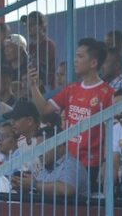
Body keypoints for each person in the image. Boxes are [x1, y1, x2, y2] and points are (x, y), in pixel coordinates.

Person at [29, 38, 114, 188]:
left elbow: (111, 132)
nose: (75, 60)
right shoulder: (71, 89)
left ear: (94, 63)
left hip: (92, 163)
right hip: (67, 161)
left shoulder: (107, 93)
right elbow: (44, 109)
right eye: (75, 56)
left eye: (80, 56)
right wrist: (33, 85)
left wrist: (107, 162)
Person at [10, 127, 90, 199]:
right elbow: (41, 191)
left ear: (60, 145)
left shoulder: (72, 165)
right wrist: (23, 188)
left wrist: (34, 184)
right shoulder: (44, 169)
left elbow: (66, 190)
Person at [22, 12, 57, 89]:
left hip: (45, 88)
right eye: (26, 25)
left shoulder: (48, 44)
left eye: (31, 24)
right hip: (33, 86)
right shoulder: (30, 47)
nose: (28, 27)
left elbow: (42, 71)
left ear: (41, 26)